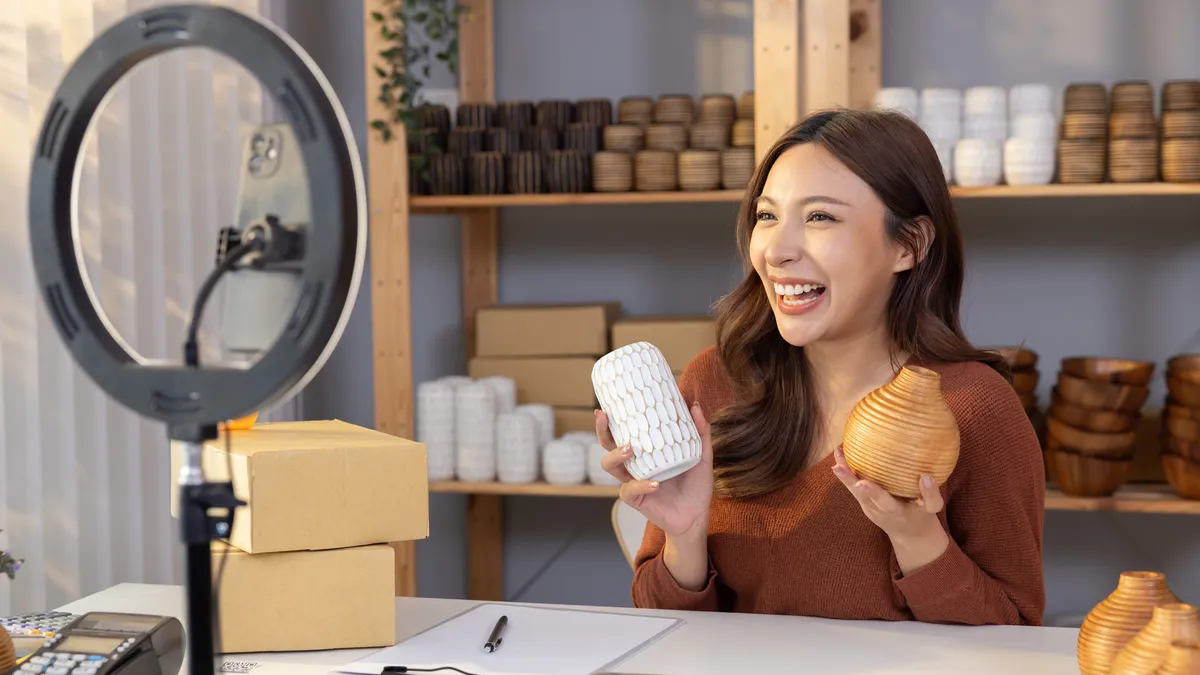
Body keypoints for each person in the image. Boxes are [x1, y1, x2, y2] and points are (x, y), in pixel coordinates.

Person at [594, 108, 1046, 625]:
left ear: (909, 244)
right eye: (767, 216)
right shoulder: (714, 384)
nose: (777, 251)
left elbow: (1016, 634)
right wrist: (685, 535)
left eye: (820, 217)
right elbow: (665, 628)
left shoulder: (975, 408)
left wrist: (918, 542)